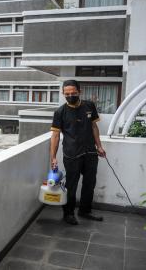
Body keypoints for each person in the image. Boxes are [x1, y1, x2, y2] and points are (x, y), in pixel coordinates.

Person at [50, 80, 106, 225]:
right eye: (67, 94)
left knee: (90, 182)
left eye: (73, 93)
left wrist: (99, 146)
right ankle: (68, 213)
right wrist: (53, 157)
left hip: (90, 152)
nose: (70, 96)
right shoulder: (60, 112)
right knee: (71, 185)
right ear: (63, 94)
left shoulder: (89, 106)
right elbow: (55, 136)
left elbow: (94, 127)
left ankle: (85, 211)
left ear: (79, 91)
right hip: (71, 154)